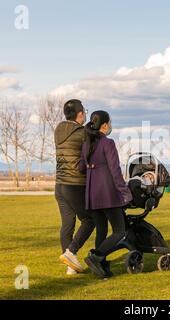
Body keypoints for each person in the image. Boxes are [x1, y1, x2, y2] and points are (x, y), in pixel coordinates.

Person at [80, 111, 133, 278]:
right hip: (107, 194)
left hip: (91, 194)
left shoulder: (87, 144)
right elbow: (115, 171)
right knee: (119, 231)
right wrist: (125, 192)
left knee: (101, 231)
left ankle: (101, 268)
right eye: (109, 122)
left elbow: (81, 168)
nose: (110, 125)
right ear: (104, 125)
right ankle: (95, 257)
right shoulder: (108, 143)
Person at [55, 99, 95, 275]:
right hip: (74, 184)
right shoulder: (82, 133)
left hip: (59, 185)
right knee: (89, 220)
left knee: (67, 225)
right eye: (84, 112)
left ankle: (70, 267)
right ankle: (71, 252)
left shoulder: (58, 130)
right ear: (80, 114)